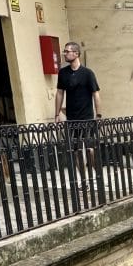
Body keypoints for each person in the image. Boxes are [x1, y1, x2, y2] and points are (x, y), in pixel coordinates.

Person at [55, 43, 102, 174]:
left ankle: (97, 174)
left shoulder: (87, 73)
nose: (65, 54)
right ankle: (83, 178)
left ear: (76, 54)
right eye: (64, 51)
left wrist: (98, 115)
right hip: (72, 118)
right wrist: (57, 114)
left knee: (90, 148)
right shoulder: (63, 73)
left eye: (67, 51)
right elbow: (60, 93)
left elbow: (96, 94)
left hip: (86, 117)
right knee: (75, 150)